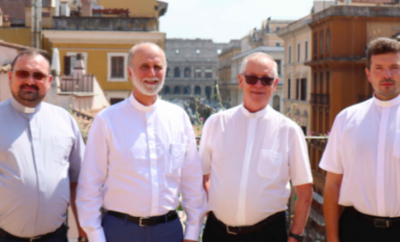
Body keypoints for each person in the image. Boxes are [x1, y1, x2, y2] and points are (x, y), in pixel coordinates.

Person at [76, 43, 207, 242]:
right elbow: (90, 184)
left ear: (165, 71)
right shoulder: (107, 120)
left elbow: (191, 180)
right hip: (120, 230)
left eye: (158, 67)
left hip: (168, 231)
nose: (152, 73)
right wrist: (95, 236)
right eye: (144, 66)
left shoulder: (178, 118)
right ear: (130, 72)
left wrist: (192, 232)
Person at [199, 53, 313, 242]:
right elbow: (202, 176)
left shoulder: (289, 131)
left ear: (275, 84)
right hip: (217, 233)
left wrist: (295, 236)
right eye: (252, 78)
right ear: (241, 81)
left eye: (266, 80)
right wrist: (214, 210)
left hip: (268, 234)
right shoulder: (215, 124)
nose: (259, 85)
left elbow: (305, 191)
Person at [0, 50, 86, 241]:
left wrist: (83, 230)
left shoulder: (65, 121)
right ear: (10, 77)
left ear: (48, 81)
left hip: (56, 237)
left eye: (38, 76)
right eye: (23, 74)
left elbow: (78, 182)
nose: (30, 81)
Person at [320, 37, 400, 242]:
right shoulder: (346, 118)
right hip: (356, 230)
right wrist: (332, 238)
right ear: (368, 74)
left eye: (394, 67)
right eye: (379, 68)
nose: (387, 75)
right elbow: (332, 185)